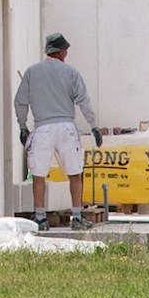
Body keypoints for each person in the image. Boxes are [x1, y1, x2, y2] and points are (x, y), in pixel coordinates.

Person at [14, 31, 102, 230]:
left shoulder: (31, 72)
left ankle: (40, 218)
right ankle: (77, 217)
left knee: (39, 175)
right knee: (74, 173)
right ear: (62, 52)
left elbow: (20, 101)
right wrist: (93, 125)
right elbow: (84, 101)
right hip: (66, 128)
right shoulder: (71, 72)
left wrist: (22, 126)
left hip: (42, 128)